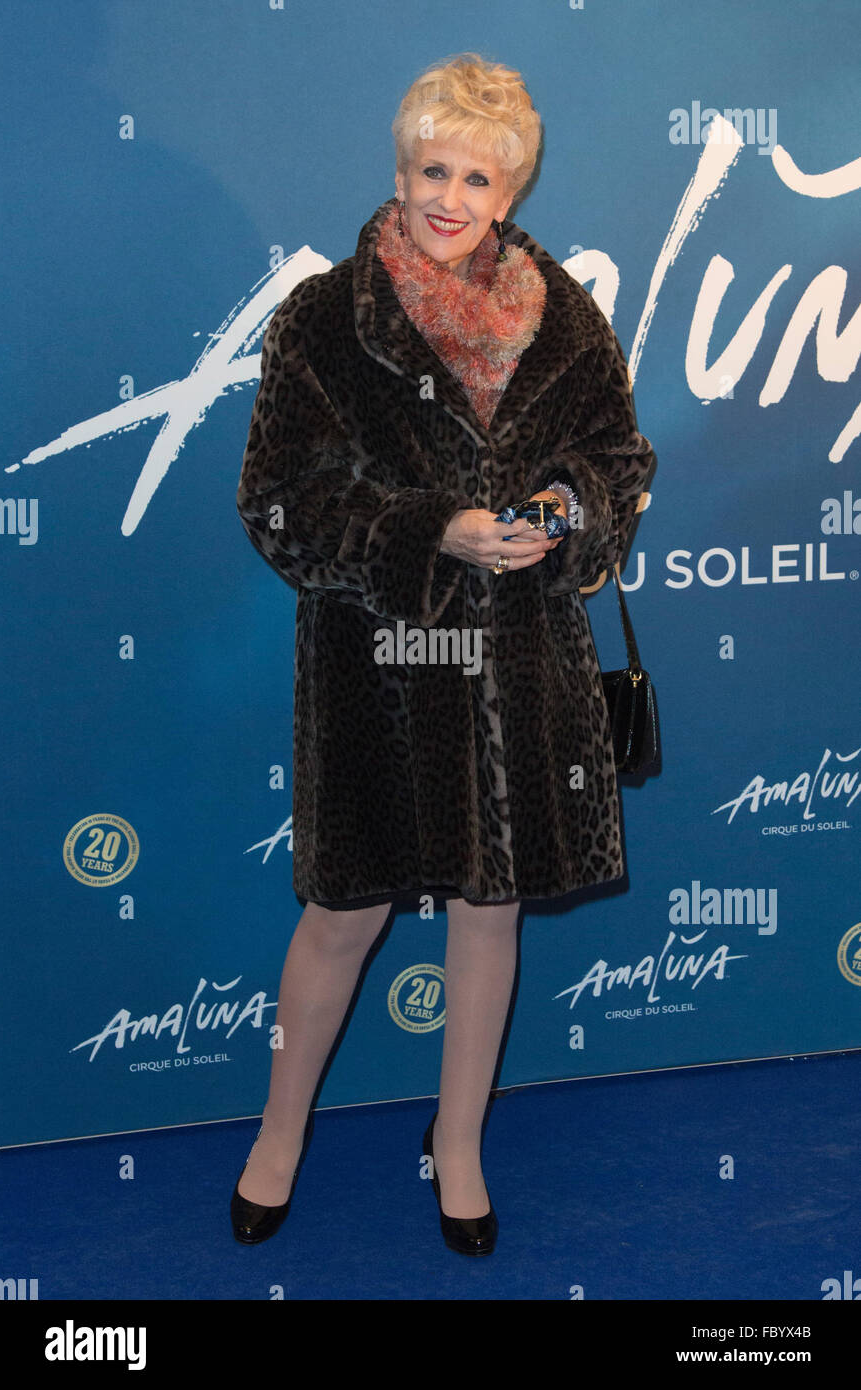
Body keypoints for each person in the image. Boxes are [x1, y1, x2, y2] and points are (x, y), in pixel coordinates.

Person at [232, 52, 655, 1257]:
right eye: (433, 170)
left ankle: (457, 1144)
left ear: (512, 191)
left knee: (488, 913)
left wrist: (559, 517)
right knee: (339, 914)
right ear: (399, 169)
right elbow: (275, 502)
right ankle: (277, 1138)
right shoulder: (325, 316)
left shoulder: (560, 310)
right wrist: (431, 531)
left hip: (518, 665)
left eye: (478, 175)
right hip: (377, 668)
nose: (452, 197)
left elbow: (617, 461)